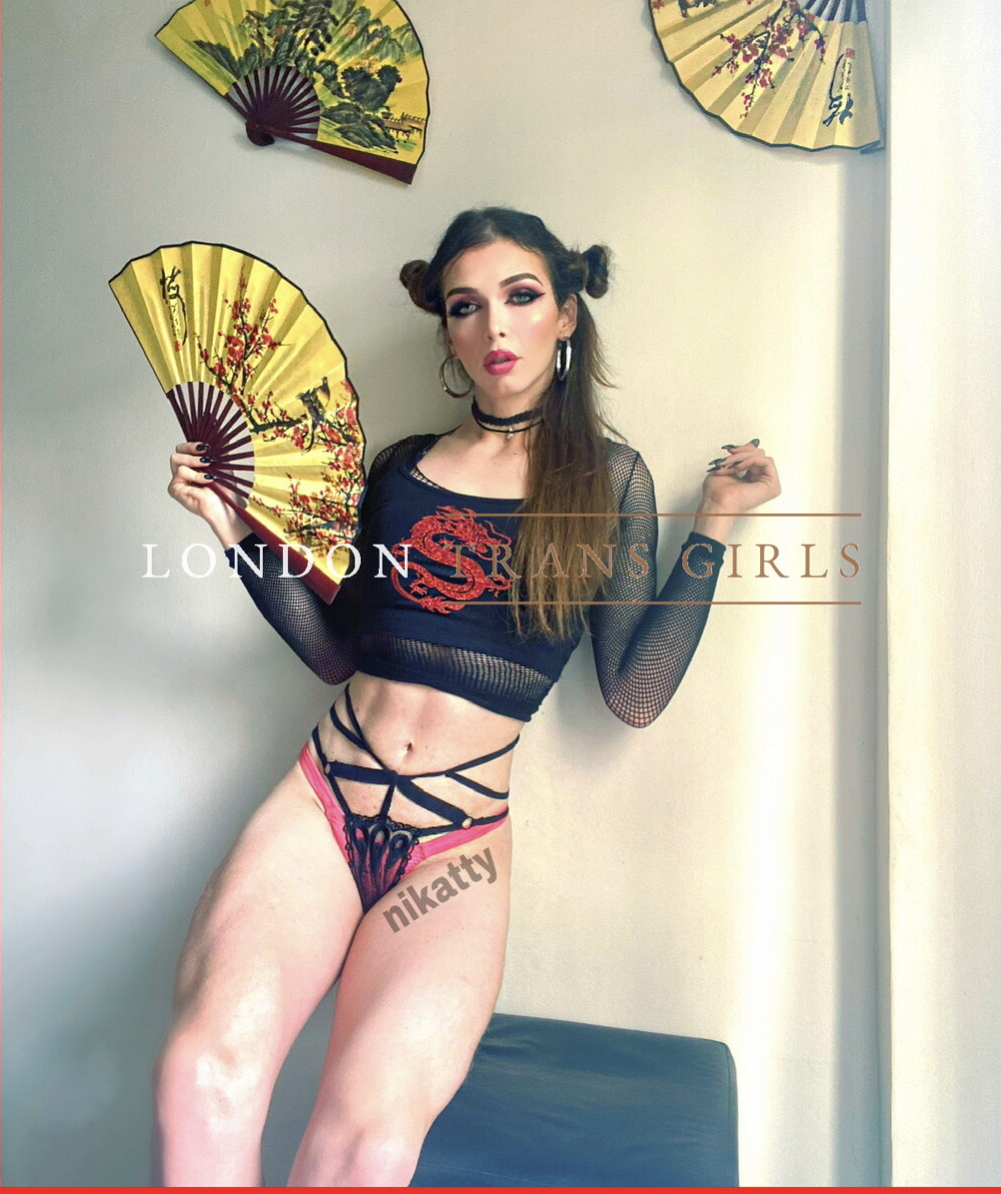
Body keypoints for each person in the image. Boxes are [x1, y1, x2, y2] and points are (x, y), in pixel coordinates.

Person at [154, 206, 781, 1186]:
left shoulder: (607, 482)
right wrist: (231, 526)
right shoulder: (399, 470)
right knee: (203, 1077)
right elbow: (334, 652)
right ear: (446, 329)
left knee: (366, 1149)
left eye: (520, 296)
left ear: (565, 314)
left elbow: (635, 692)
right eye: (464, 305)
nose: (493, 325)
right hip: (322, 806)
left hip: (454, 848)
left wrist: (715, 523)